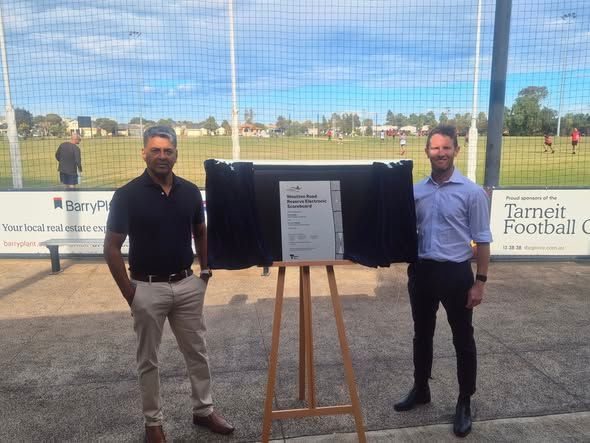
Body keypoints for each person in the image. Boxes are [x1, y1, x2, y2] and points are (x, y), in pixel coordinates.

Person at [104, 126, 234, 442]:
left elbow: (201, 232)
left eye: (168, 150)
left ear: (176, 153)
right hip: (146, 288)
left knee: (198, 353)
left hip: (187, 284)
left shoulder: (190, 192)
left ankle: (204, 411)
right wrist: (129, 292)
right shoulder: (127, 195)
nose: (162, 156)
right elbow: (111, 247)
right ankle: (153, 424)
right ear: (144, 153)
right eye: (156, 150)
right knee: (148, 360)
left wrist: (205, 273)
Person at [393, 125, 491, 438]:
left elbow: (483, 241)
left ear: (456, 151)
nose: (441, 153)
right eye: (435, 148)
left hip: (456, 274)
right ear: (427, 152)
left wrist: (480, 282)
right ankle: (421, 389)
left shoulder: (472, 192)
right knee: (422, 335)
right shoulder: (416, 192)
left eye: (446, 148)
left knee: (463, 338)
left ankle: (464, 401)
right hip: (422, 272)